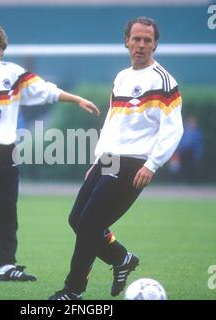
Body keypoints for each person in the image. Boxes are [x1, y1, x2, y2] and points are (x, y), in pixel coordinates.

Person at [0, 21, 99, 281]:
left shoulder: (14, 74)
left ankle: (7, 267)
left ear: (2, 51)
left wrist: (76, 99)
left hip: (5, 155)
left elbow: (46, 90)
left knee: (7, 210)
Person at [48, 17, 183, 300]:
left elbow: (174, 128)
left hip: (134, 164)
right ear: (127, 41)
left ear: (155, 44)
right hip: (108, 160)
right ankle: (121, 259)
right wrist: (98, 159)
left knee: (88, 225)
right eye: (136, 39)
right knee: (76, 220)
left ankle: (73, 291)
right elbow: (113, 121)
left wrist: (152, 164)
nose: (141, 45)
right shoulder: (121, 77)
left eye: (147, 40)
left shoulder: (164, 81)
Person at [177, 115, 203, 183]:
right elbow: (181, 141)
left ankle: (191, 180)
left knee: (191, 167)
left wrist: (198, 153)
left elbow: (198, 143)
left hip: (192, 152)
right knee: (183, 166)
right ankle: (183, 180)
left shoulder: (196, 131)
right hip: (184, 151)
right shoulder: (184, 130)